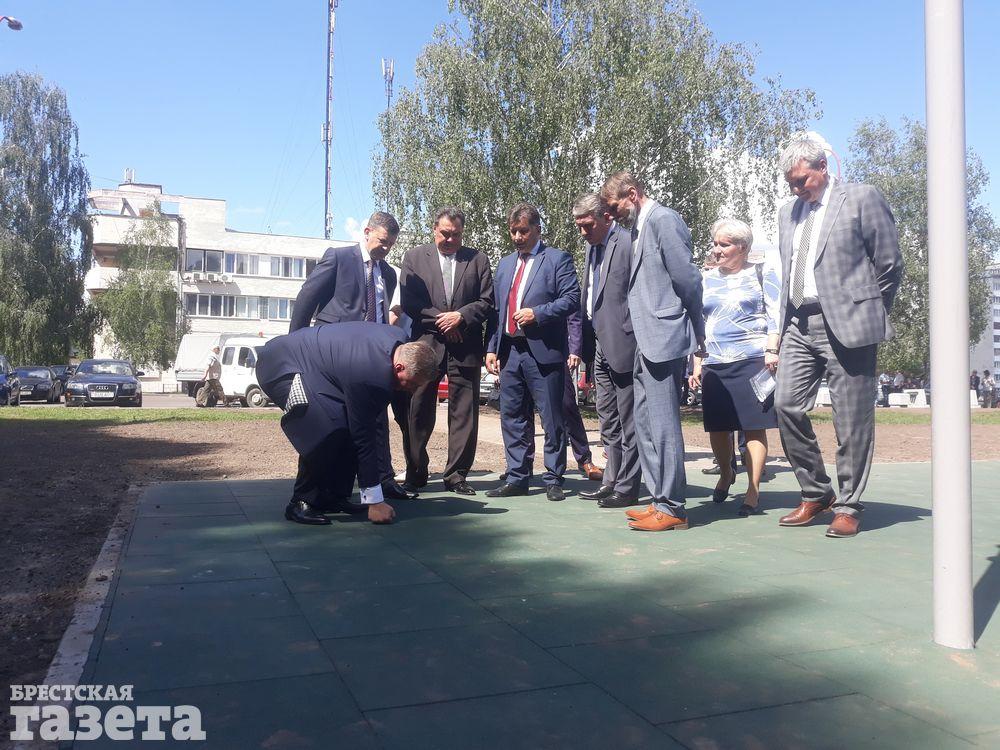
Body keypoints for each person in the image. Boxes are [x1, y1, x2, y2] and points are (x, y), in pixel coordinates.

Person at [773, 135, 903, 538]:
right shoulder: (787, 213)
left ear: (822, 168)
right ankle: (817, 492)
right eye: (791, 183)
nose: (796, 189)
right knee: (785, 405)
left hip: (848, 325)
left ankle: (848, 505)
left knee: (851, 419)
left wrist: (867, 309)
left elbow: (889, 263)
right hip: (798, 323)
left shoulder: (861, 198)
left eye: (802, 180)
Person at [288, 211, 416, 502]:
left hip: (371, 362)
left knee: (374, 423)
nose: (386, 248)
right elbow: (307, 298)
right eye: (382, 241)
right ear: (367, 231)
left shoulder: (388, 274)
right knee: (328, 426)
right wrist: (296, 346)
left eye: (391, 244)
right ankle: (306, 497)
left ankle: (375, 483)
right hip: (332, 362)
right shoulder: (338, 257)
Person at [600, 172, 704, 531]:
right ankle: (659, 499)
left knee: (663, 425)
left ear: (632, 194)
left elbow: (687, 278)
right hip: (644, 340)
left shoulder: (663, 220)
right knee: (644, 422)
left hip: (663, 336)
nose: (611, 215)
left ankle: (673, 507)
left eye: (614, 206)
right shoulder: (638, 228)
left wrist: (695, 325)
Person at [255, 322, 438, 525]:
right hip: (281, 364)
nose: (412, 390)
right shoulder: (371, 375)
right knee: (325, 426)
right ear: (399, 367)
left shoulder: (400, 344)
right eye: (412, 383)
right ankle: (301, 501)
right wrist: (375, 502)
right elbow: (364, 437)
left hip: (319, 368)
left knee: (346, 426)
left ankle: (334, 496)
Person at [485, 203, 580, 502]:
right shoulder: (504, 265)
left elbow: (572, 298)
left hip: (544, 351)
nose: (517, 237)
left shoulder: (557, 259)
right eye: (513, 231)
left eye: (523, 231)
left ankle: (553, 478)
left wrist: (537, 313)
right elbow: (497, 311)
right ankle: (517, 476)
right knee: (512, 415)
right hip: (510, 351)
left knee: (551, 418)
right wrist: (491, 348)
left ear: (538, 229)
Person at [688, 219, 780, 517]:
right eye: (715, 243)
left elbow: (775, 313)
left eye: (724, 244)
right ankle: (726, 473)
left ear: (742, 247)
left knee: (753, 426)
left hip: (753, 359)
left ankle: (753, 489)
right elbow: (700, 322)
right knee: (718, 426)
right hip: (714, 360)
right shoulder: (706, 278)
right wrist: (697, 362)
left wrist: (772, 349)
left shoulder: (761, 273)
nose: (717, 249)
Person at [400, 206, 495, 495]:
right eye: (445, 233)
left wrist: (461, 317)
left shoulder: (478, 260)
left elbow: (487, 302)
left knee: (464, 412)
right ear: (434, 230)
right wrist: (444, 321)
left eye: (456, 235)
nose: (450, 239)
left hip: (465, 345)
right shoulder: (414, 257)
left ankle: (456, 475)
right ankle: (416, 472)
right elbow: (410, 302)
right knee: (418, 410)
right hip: (426, 346)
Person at [571, 193, 641, 509]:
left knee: (628, 419)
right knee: (607, 416)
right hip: (599, 342)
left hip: (624, 342)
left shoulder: (627, 243)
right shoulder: (592, 246)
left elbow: (636, 293)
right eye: (579, 226)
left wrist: (630, 330)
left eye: (588, 225)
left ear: (607, 218)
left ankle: (628, 486)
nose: (583, 232)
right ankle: (611, 480)